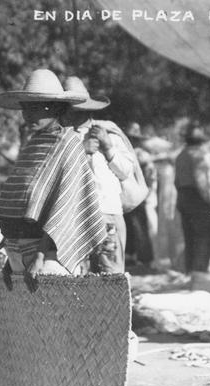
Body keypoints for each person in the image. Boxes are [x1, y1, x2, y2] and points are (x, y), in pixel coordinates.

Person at [0, 69, 106, 285]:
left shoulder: (68, 144)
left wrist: (40, 257)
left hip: (44, 257)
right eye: (25, 107)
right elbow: (18, 203)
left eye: (35, 107)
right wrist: (10, 259)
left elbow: (63, 209)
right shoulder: (32, 145)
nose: (27, 115)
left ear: (54, 108)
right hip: (16, 251)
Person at [62, 76, 138, 274]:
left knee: (110, 271)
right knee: (81, 272)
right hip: (76, 216)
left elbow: (125, 172)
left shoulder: (109, 133)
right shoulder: (64, 138)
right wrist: (81, 150)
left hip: (108, 212)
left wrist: (108, 147)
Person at [175, 121, 210, 274]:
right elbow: (201, 180)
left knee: (190, 236)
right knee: (203, 235)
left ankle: (190, 270)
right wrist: (208, 199)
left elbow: (177, 181)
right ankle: (199, 271)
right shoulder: (199, 154)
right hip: (196, 196)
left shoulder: (181, 155)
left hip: (183, 195)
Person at [123, 122, 156, 268]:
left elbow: (150, 175)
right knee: (132, 225)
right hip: (129, 193)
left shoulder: (141, 155)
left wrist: (147, 191)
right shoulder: (127, 152)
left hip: (137, 194)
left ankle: (143, 257)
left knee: (138, 226)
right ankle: (133, 256)